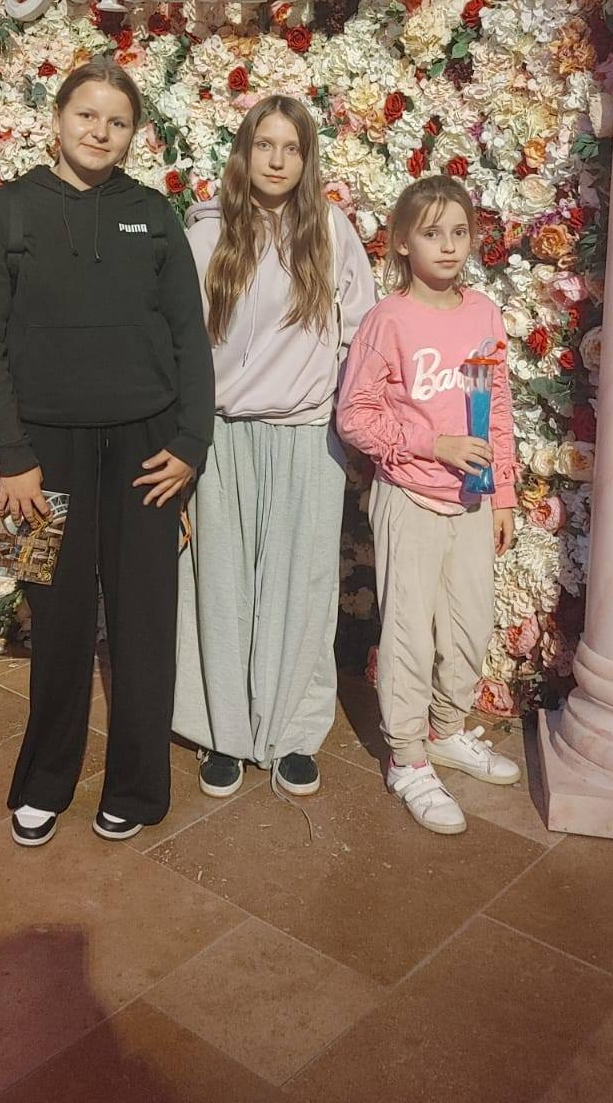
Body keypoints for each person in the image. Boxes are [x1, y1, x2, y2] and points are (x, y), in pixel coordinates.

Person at [0, 57, 214, 848]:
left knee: (144, 625)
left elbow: (190, 337)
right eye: (87, 115)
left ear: (133, 134)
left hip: (147, 453)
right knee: (54, 621)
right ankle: (43, 783)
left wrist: (191, 444)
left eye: (117, 121)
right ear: (58, 119)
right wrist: (12, 457)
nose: (100, 131)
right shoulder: (9, 211)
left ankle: (138, 789)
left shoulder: (154, 215)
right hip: (35, 459)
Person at [173, 95, 376, 799]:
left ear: (306, 158)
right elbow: (180, 341)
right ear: (245, 151)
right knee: (220, 587)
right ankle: (224, 733)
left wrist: (347, 422)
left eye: (292, 147)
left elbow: (361, 333)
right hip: (223, 435)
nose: (278, 159)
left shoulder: (331, 230)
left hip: (307, 437)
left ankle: (292, 733)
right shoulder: (206, 234)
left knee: (303, 591)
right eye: (266, 144)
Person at [336, 174, 520, 835]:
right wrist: (432, 444)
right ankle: (407, 757)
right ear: (402, 243)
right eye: (432, 233)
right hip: (409, 497)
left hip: (472, 504)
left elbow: (498, 406)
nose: (447, 245)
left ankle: (445, 730)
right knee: (410, 633)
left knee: (470, 626)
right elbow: (355, 415)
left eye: (459, 232)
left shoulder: (483, 315)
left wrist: (503, 494)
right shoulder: (388, 320)